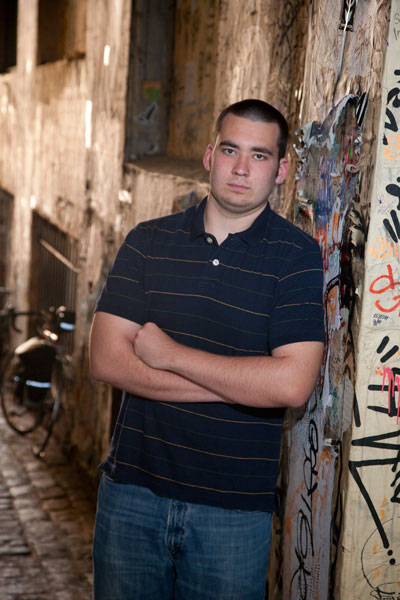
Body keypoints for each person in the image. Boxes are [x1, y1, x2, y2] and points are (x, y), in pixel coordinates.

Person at [89, 99, 325, 599]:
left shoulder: (297, 258)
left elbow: (290, 384)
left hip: (233, 513)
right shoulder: (147, 242)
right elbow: (108, 359)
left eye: (260, 156)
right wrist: (240, 386)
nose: (241, 168)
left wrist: (170, 355)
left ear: (281, 170)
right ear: (208, 155)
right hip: (132, 493)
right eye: (230, 150)